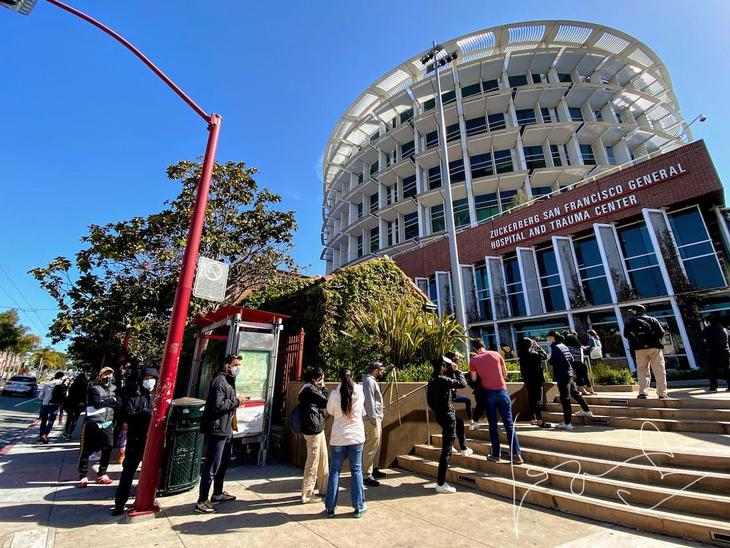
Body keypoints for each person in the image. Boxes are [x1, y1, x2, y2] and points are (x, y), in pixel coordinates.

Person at [195, 354, 249, 514]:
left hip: (226, 427)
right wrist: (237, 401)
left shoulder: (229, 381)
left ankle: (217, 493)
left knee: (223, 462)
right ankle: (202, 501)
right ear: (227, 365)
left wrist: (237, 401)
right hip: (217, 428)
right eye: (235, 364)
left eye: (239, 365)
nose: (237, 368)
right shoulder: (220, 381)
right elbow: (217, 405)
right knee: (212, 464)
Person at [112, 367, 158, 516]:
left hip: (152, 440)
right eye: (146, 379)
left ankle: (149, 497)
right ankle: (120, 503)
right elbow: (127, 416)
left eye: (151, 379)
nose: (149, 381)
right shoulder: (134, 397)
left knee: (152, 471)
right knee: (128, 471)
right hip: (135, 440)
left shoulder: (158, 396)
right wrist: (145, 414)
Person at [469, 340, 523, 464]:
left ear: (474, 349)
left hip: (488, 393)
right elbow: (505, 374)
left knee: (493, 425)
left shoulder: (473, 360)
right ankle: (516, 455)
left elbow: (474, 379)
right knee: (509, 425)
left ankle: (496, 455)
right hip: (502, 391)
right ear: (484, 345)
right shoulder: (496, 354)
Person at [325, 369, 366, 518]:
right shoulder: (359, 391)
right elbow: (362, 411)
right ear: (352, 376)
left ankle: (330, 508)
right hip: (356, 436)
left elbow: (330, 411)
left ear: (339, 378)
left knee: (335, 471)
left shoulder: (335, 394)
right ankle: (358, 507)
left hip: (338, 437)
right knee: (356, 470)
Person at [426, 355, 467, 494]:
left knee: (457, 427)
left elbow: (429, 400)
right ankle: (441, 483)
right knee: (447, 450)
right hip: (447, 415)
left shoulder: (432, 380)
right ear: (442, 367)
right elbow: (462, 383)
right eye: (445, 365)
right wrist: (457, 370)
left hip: (440, 415)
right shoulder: (442, 380)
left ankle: (463, 447)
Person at [78, 366, 120, 487]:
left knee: (108, 447)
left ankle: (102, 473)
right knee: (85, 449)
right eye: (105, 374)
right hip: (92, 422)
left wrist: (107, 402)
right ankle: (83, 475)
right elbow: (96, 404)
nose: (108, 376)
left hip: (107, 422)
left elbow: (119, 403)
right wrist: (111, 400)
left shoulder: (115, 388)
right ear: (100, 376)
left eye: (110, 374)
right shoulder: (94, 388)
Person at [547, 331, 592, 430]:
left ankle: (567, 423)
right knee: (574, 392)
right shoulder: (563, 346)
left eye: (549, 338)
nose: (548, 340)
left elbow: (552, 361)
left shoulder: (555, 347)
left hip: (561, 375)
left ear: (552, 337)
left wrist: (549, 359)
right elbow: (571, 359)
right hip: (569, 373)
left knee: (565, 398)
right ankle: (586, 410)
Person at [623, 304, 668, 400]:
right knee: (659, 369)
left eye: (632, 311)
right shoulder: (652, 319)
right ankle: (662, 393)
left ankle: (643, 392)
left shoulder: (630, 321)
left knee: (642, 370)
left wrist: (636, 339)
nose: (632, 312)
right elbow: (661, 332)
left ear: (635, 311)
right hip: (654, 347)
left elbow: (626, 335)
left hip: (639, 348)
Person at [299, 367, 329, 504]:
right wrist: (324, 388)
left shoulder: (307, 388)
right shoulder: (310, 390)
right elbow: (326, 401)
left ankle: (324, 488)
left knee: (322, 458)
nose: (322, 381)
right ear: (315, 379)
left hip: (317, 428)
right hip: (313, 429)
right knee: (313, 462)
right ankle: (307, 494)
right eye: (321, 378)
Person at [517, 337, 550, 428]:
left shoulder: (522, 355)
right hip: (536, 379)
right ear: (530, 345)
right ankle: (539, 420)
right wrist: (537, 346)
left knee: (531, 398)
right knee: (538, 399)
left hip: (528, 379)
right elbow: (545, 356)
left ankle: (532, 418)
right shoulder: (534, 354)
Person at [362, 362, 386, 487]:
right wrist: (373, 418)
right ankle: (366, 475)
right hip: (372, 419)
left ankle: (373, 469)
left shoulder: (370, 381)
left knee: (375, 446)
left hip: (375, 418)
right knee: (371, 447)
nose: (382, 373)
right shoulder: (369, 381)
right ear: (376, 370)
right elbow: (369, 401)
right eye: (381, 371)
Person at [447, 351, 477, 433]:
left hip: (451, 395)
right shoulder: (450, 370)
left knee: (467, 400)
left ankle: (471, 420)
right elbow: (462, 384)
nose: (459, 361)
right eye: (457, 359)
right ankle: (470, 421)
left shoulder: (451, 369)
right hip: (448, 397)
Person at [701, 315, 730, 392]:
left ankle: (713, 387)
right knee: (727, 369)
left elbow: (701, 339)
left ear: (708, 321)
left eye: (705, 321)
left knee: (712, 370)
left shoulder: (708, 329)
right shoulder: (724, 329)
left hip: (713, 352)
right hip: (725, 351)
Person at [563, 330, 595, 395]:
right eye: (575, 337)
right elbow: (579, 346)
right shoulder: (572, 341)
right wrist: (582, 347)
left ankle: (584, 389)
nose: (576, 338)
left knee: (579, 375)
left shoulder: (569, 345)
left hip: (575, 361)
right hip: (576, 360)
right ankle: (589, 389)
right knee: (584, 373)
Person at [38, 371, 66, 444]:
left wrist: (46, 398)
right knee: (51, 421)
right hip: (55, 405)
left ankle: (41, 435)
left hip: (45, 404)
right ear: (61, 377)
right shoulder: (62, 385)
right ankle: (45, 435)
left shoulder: (47, 384)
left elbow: (40, 396)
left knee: (43, 420)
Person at [63, 371, 89, 440]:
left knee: (69, 418)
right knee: (75, 419)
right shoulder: (85, 385)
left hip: (71, 403)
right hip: (79, 404)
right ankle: (69, 434)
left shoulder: (73, 384)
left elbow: (69, 394)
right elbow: (85, 395)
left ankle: (66, 432)